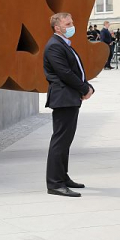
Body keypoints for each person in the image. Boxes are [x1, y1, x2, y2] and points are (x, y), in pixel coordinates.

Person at [44, 12, 94, 197]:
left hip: (69, 97)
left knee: (66, 141)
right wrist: (84, 89)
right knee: (60, 141)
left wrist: (86, 86)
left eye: (71, 22)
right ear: (58, 27)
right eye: (68, 23)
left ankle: (63, 177)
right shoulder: (54, 46)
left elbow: (76, 70)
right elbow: (65, 73)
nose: (72, 25)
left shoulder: (64, 44)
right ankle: (55, 184)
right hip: (63, 98)